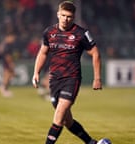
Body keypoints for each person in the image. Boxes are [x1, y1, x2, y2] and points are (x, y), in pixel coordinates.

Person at [32, 1, 102, 144]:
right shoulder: (49, 32)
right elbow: (43, 53)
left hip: (72, 79)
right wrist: (36, 73)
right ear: (58, 14)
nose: (65, 19)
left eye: (69, 16)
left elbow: (95, 53)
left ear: (74, 17)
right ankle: (91, 142)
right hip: (54, 80)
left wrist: (97, 78)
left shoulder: (81, 33)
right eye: (63, 15)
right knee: (66, 120)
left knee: (58, 115)